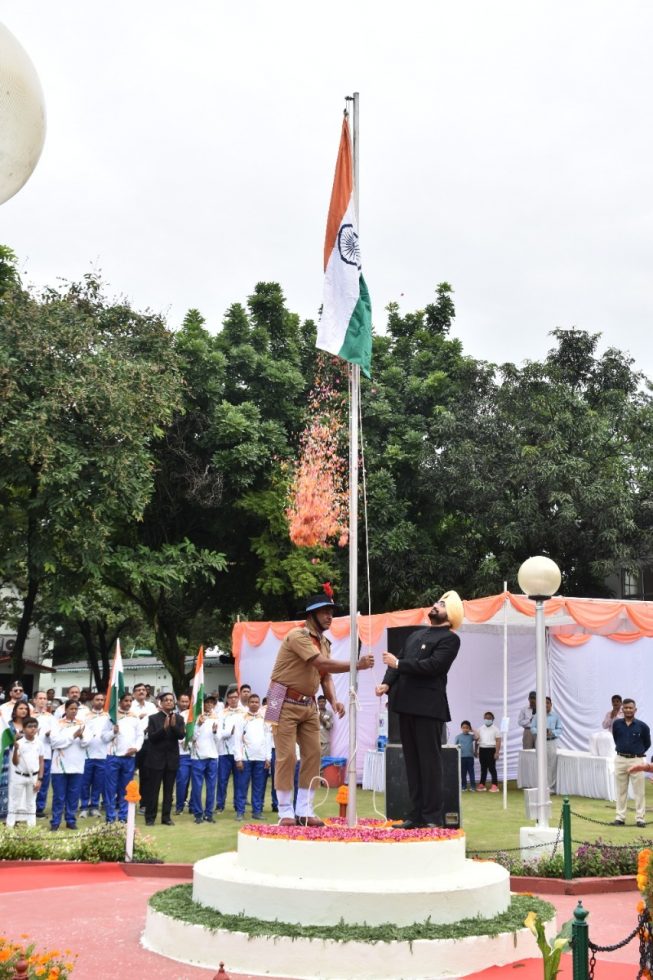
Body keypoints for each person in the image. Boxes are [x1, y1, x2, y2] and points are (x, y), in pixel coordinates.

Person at [268, 587, 374, 827]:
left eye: (331, 613)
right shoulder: (298, 636)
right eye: (325, 612)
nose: (330, 617)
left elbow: (324, 675)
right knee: (285, 757)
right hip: (280, 698)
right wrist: (357, 665)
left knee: (314, 755)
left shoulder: (324, 642)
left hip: (308, 703)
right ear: (311, 615)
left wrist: (334, 699)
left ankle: (304, 810)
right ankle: (285, 812)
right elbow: (321, 662)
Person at [377, 591, 463, 830]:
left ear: (451, 613)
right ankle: (415, 816)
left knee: (430, 764)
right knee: (412, 764)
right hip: (404, 705)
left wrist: (399, 664)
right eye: (436, 602)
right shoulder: (415, 635)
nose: (435, 606)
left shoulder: (450, 639)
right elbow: (397, 662)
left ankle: (433, 817)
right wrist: (386, 683)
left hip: (429, 708)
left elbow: (434, 666)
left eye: (442, 604)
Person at [143, 692, 186, 826]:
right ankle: (150, 817)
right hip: (156, 760)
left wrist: (173, 726)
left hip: (171, 760)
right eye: (166, 700)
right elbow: (152, 738)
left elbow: (181, 736)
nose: (169, 702)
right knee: (153, 791)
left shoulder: (178, 718)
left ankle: (166, 817)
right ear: (160, 703)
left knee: (168, 792)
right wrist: (164, 728)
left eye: (171, 700)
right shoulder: (153, 718)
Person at [104, 692, 143, 824]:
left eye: (130, 701)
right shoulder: (111, 717)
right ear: (119, 701)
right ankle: (110, 817)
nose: (128, 703)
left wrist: (136, 748)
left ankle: (123, 816)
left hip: (129, 757)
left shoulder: (134, 717)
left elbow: (140, 736)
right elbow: (103, 737)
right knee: (110, 788)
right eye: (125, 701)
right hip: (113, 757)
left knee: (126, 788)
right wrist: (112, 732)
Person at [611, 698, 651, 827]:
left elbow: (647, 743)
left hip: (636, 760)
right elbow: (616, 739)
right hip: (620, 759)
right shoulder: (616, 724)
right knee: (621, 790)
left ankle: (640, 818)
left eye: (630, 708)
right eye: (626, 708)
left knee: (639, 791)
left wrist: (636, 753)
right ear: (622, 710)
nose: (628, 710)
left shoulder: (643, 726)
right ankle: (620, 817)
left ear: (635, 710)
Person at [50, 700, 87, 830]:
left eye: (76, 709)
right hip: (59, 766)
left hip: (77, 765)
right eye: (71, 708)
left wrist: (81, 737)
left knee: (73, 795)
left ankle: (71, 820)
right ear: (65, 710)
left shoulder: (82, 724)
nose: (73, 711)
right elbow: (55, 743)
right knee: (59, 796)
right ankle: (55, 821)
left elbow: (86, 743)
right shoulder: (57, 723)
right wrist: (73, 736)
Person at [235, 693, 271, 819]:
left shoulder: (264, 719)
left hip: (261, 758)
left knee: (259, 786)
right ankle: (240, 812)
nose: (254, 704)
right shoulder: (242, 718)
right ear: (248, 703)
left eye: (257, 702)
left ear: (260, 704)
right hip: (246, 758)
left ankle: (257, 812)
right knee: (242, 786)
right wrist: (238, 758)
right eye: (252, 702)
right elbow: (237, 739)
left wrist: (268, 757)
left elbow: (268, 738)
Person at [78, 692, 112, 818]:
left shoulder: (108, 717)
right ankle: (84, 807)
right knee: (85, 783)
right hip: (87, 754)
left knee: (98, 783)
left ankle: (94, 806)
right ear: (92, 701)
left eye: (102, 700)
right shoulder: (85, 716)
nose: (99, 702)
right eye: (97, 699)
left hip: (102, 754)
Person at [6, 717, 43, 827]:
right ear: (24, 728)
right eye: (30, 727)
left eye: (35, 726)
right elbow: (15, 762)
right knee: (14, 802)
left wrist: (40, 779)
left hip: (33, 776)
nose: (33, 729)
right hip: (19, 777)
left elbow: (41, 762)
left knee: (31, 803)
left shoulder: (39, 743)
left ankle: (31, 828)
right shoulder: (19, 743)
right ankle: (9, 827)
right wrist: (16, 749)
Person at [190, 696, 221, 824]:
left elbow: (218, 739)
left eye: (211, 703)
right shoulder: (196, 717)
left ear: (214, 705)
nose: (209, 705)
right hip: (198, 757)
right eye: (206, 702)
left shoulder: (217, 718)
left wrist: (214, 732)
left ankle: (209, 813)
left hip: (212, 757)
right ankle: (198, 813)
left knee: (211, 787)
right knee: (197, 787)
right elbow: (191, 738)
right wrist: (198, 724)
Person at [216, 689, 247, 819]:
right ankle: (220, 804)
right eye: (231, 697)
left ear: (238, 698)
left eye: (235, 697)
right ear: (227, 699)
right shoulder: (222, 713)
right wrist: (229, 732)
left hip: (240, 752)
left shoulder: (244, 712)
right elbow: (218, 733)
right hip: (224, 752)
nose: (233, 699)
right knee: (222, 780)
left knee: (240, 781)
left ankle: (239, 807)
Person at [1, 701, 31, 820]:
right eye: (20, 708)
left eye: (25, 708)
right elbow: (5, 741)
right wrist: (14, 739)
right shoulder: (8, 725)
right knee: (11, 786)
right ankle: (5, 816)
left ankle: (20, 817)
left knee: (22, 788)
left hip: (26, 761)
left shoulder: (30, 725)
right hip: (10, 760)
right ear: (15, 711)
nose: (23, 710)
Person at [530, 696, 563, 791]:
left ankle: (551, 787)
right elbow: (532, 728)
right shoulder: (537, 716)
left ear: (551, 705)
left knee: (551, 765)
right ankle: (541, 786)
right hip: (540, 742)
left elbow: (560, 729)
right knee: (541, 763)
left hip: (551, 741)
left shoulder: (556, 716)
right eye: (544, 703)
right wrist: (541, 731)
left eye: (548, 703)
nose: (546, 705)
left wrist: (552, 732)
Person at [32, 691, 53, 818]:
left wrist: (49, 735)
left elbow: (56, 735)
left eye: (44, 698)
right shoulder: (29, 715)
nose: (42, 701)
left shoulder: (51, 717)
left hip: (46, 753)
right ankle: (29, 806)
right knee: (31, 780)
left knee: (43, 781)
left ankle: (39, 808)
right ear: (34, 700)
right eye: (39, 698)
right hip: (31, 754)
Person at [174, 692, 192, 815]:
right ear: (178, 702)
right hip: (181, 754)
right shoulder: (174, 715)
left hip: (195, 753)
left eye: (187, 701)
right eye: (182, 701)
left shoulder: (194, 715)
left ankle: (193, 805)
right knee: (182, 781)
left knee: (196, 783)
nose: (185, 704)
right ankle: (179, 806)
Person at [476, 711, 501, 792]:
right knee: (483, 768)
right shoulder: (480, 728)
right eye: (486, 718)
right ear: (484, 719)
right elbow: (477, 740)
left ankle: (495, 785)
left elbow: (498, 741)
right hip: (482, 749)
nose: (487, 719)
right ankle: (482, 784)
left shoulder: (496, 729)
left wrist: (497, 752)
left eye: (489, 718)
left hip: (491, 749)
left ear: (492, 719)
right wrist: (477, 750)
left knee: (492, 768)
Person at [454, 720, 476, 792]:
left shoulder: (471, 736)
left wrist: (472, 730)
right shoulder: (458, 737)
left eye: (467, 728)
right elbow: (455, 747)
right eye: (463, 727)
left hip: (470, 757)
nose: (465, 729)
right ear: (461, 728)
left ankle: (473, 786)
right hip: (461, 757)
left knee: (471, 772)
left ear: (469, 728)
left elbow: (478, 737)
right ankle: (464, 786)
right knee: (463, 773)